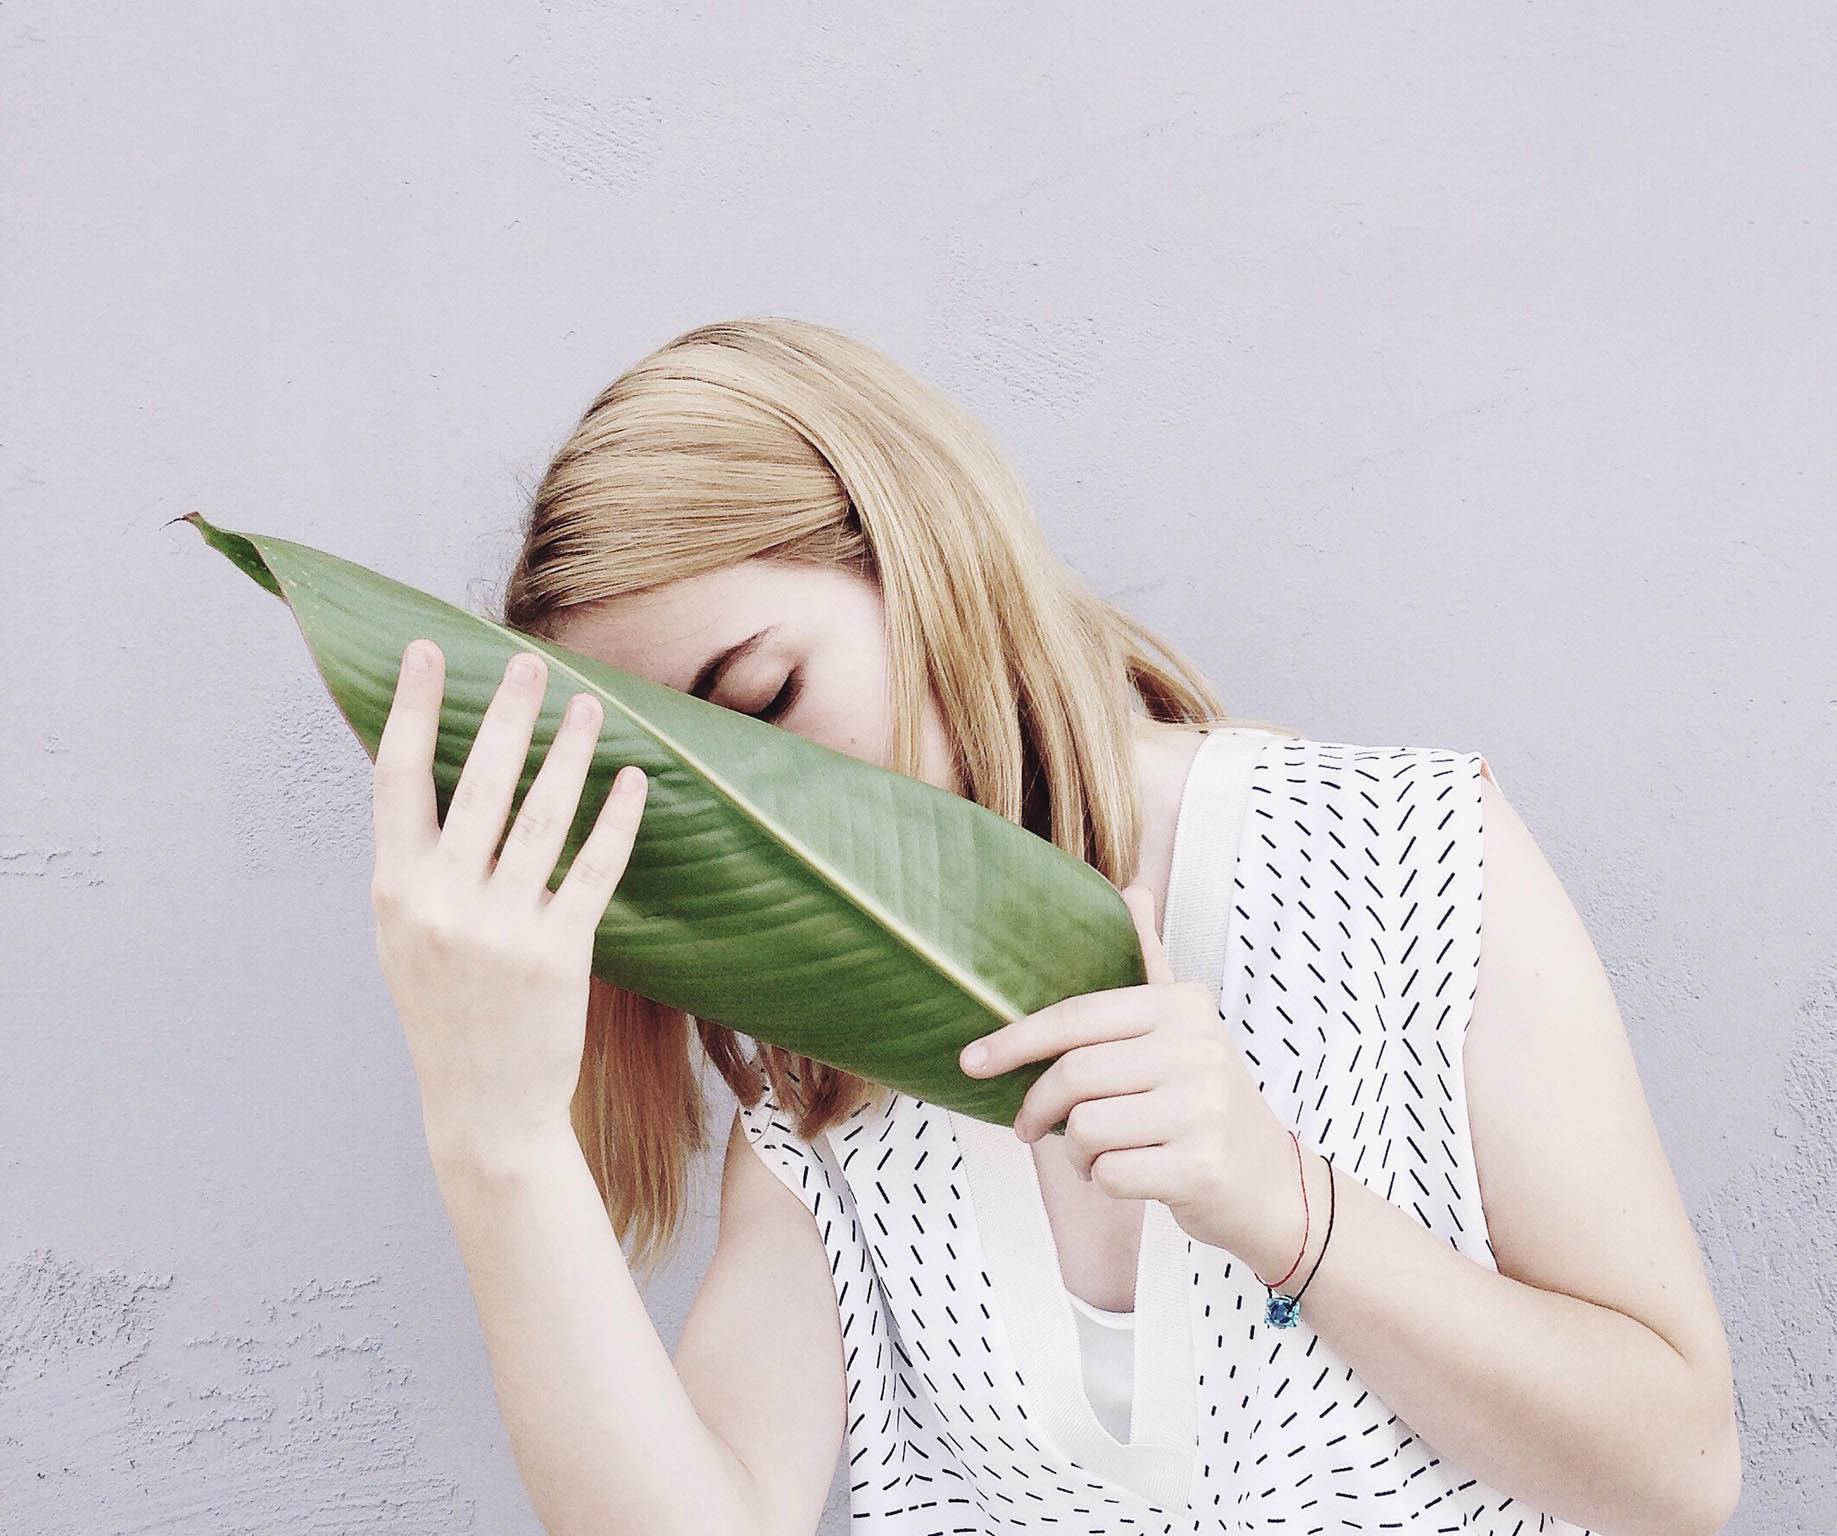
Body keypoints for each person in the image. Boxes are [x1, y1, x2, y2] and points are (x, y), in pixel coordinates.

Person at [367, 316, 1740, 1536]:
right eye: (683, 777)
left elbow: (1679, 1477)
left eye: (769, 697)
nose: (751, 809)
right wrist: (494, 1138)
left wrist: (1279, 1203)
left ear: (926, 556)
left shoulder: (1404, 856)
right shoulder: (814, 1073)